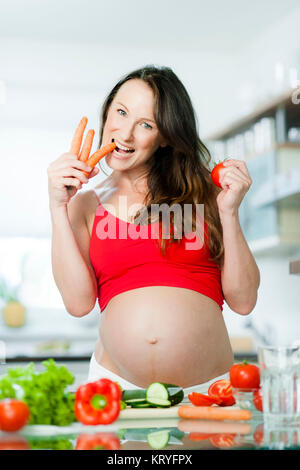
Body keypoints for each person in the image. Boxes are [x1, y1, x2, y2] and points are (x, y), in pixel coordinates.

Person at [47, 65, 260, 394]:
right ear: (107, 112)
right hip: (115, 388)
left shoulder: (208, 195)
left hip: (205, 392)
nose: (125, 134)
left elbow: (244, 301)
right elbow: (78, 304)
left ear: (164, 137)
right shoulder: (84, 204)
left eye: (145, 124)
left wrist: (229, 212)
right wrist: (57, 207)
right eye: (121, 112)